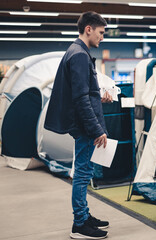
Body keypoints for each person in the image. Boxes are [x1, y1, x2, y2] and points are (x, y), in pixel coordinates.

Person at [44, 11, 113, 239]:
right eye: (101, 33)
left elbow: (84, 93)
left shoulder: (77, 51)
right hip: (85, 127)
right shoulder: (80, 55)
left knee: (85, 171)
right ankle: (80, 224)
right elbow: (80, 99)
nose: (102, 37)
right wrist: (97, 129)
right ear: (89, 29)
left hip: (83, 123)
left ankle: (84, 215)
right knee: (83, 173)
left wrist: (98, 95)